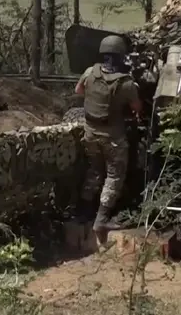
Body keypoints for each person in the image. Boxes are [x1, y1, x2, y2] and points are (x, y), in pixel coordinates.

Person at [74, 34, 143, 240]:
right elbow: (137, 108)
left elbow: (78, 91)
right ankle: (101, 220)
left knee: (95, 171)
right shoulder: (127, 83)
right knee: (114, 176)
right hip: (113, 137)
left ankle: (83, 213)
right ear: (121, 56)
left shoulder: (89, 72)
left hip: (90, 132)